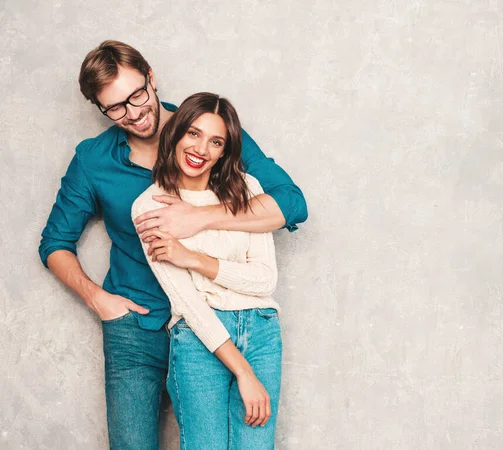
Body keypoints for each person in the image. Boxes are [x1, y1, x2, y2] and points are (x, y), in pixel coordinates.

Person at [38, 40, 307, 449]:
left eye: (137, 95)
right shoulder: (93, 160)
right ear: (100, 108)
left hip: (217, 321)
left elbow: (290, 203)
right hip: (138, 327)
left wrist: (199, 217)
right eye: (115, 107)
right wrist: (99, 300)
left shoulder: (207, 130)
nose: (134, 112)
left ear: (151, 77)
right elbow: (55, 242)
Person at [132, 92, 282, 449]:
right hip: (201, 340)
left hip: (261, 332)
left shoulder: (247, 190)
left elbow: (265, 279)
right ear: (177, 134)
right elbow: (190, 304)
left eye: (216, 141)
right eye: (194, 134)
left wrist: (195, 259)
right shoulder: (149, 207)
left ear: (225, 151)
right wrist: (243, 371)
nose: (202, 148)